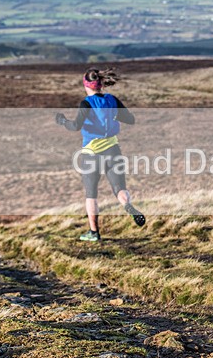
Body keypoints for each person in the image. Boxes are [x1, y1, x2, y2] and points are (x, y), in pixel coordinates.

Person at [55, 67, 145, 241]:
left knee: (91, 194)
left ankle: (94, 233)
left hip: (92, 153)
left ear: (86, 85)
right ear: (101, 83)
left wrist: (62, 121)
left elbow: (75, 126)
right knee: (120, 189)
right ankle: (128, 205)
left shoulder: (86, 103)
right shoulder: (112, 99)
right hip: (113, 150)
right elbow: (131, 119)